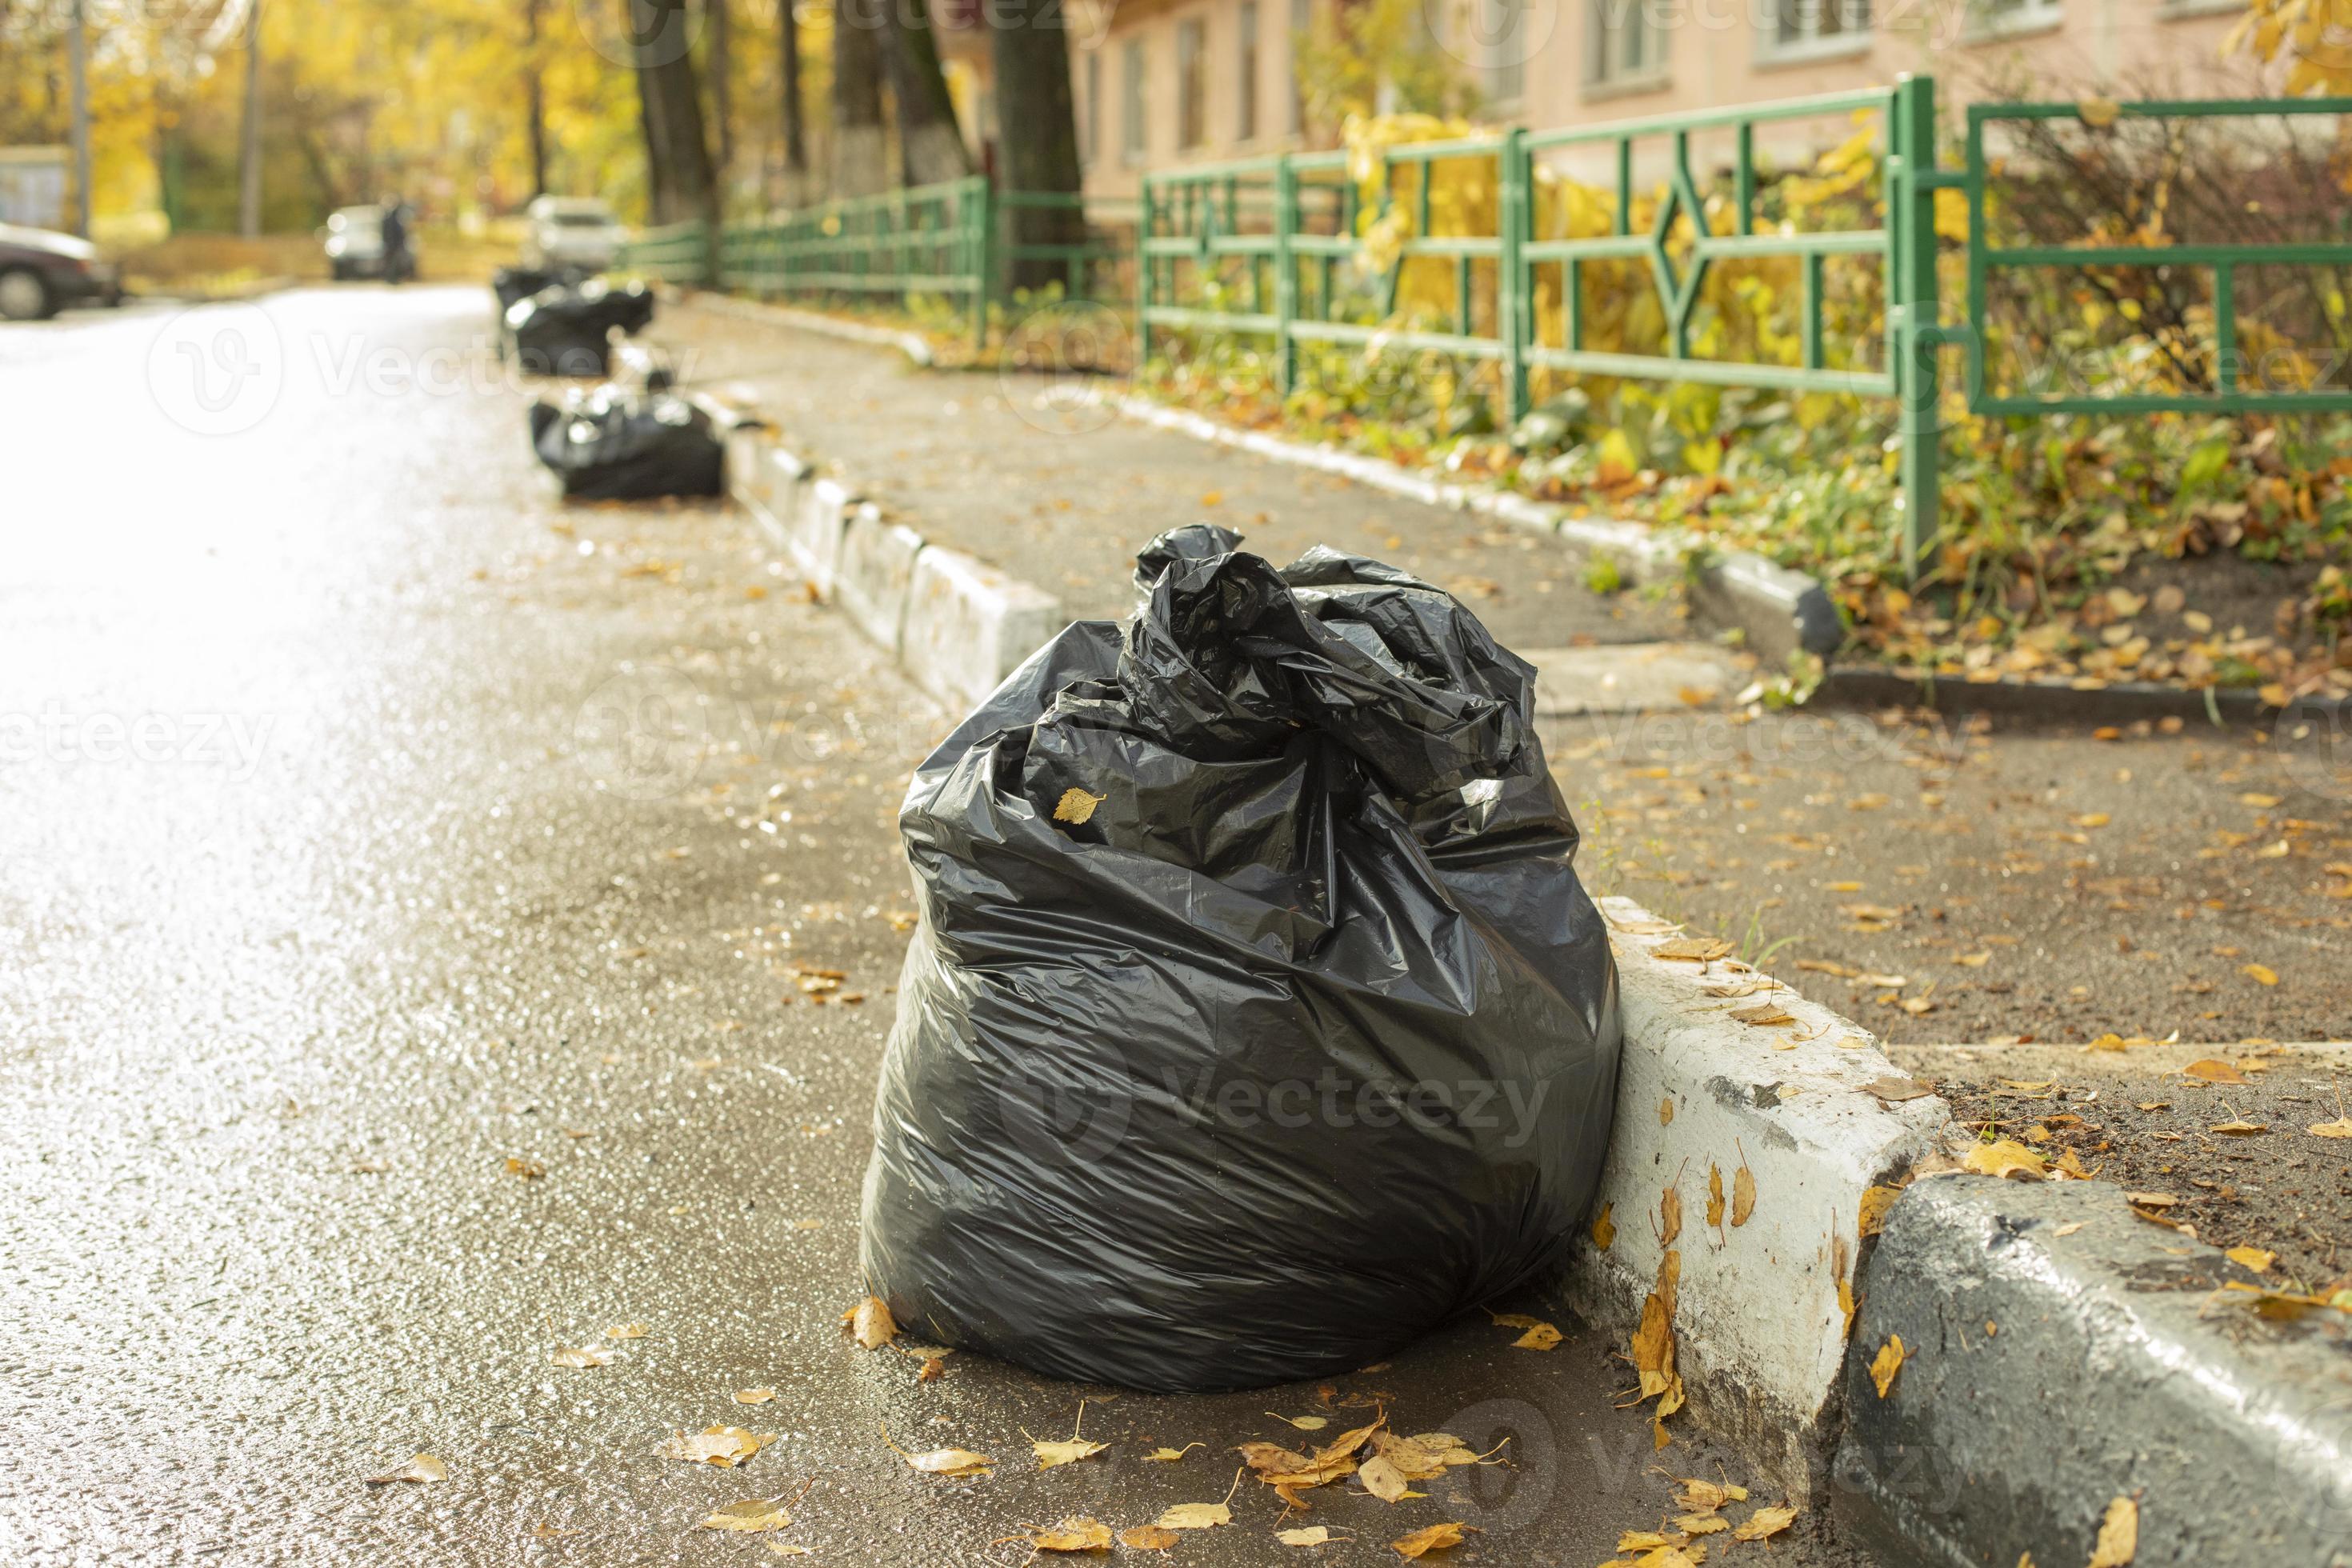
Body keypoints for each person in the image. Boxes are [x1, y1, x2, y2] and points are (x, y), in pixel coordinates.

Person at [378, 194, 412, 283]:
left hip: (392, 244)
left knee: (393, 262)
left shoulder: (391, 218)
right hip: (392, 245)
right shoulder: (391, 218)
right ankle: (391, 278)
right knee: (391, 262)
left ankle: (393, 278)